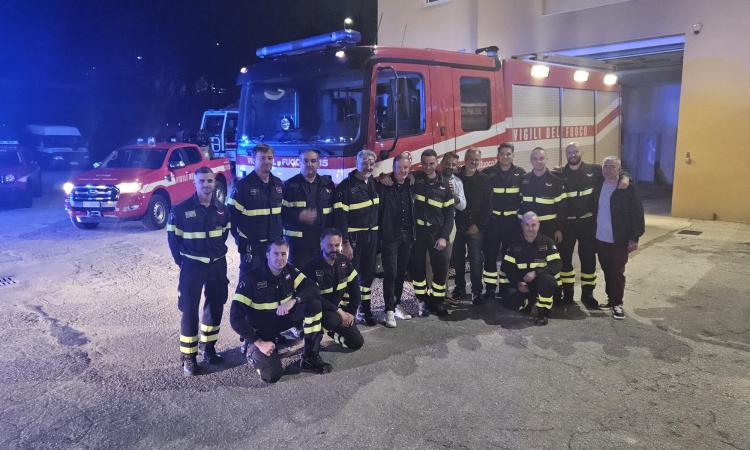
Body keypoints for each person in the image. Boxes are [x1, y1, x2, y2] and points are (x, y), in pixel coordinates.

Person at [230, 238, 331, 383]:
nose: (280, 258)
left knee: (314, 305)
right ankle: (251, 350)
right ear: (267, 255)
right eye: (276, 254)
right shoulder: (252, 277)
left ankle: (310, 357)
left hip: (281, 321)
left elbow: (313, 288)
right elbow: (235, 318)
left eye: (284, 254)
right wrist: (259, 342)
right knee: (272, 376)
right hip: (262, 331)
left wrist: (294, 301)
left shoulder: (289, 270)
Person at [166, 166, 231, 376]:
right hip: (192, 267)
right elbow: (173, 241)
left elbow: (223, 236)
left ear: (215, 183)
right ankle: (189, 357)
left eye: (210, 181)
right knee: (189, 310)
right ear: (194, 182)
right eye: (201, 181)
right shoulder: (180, 210)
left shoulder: (222, 209)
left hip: (217, 265)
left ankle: (209, 349)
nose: (206, 184)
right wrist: (183, 263)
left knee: (215, 307)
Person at [554, 142, 630, 309]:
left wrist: (625, 177)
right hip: (568, 224)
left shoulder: (595, 171)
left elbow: (615, 171)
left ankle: (588, 294)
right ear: (565, 154)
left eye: (575, 151)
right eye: (569, 152)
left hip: (588, 223)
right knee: (565, 260)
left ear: (582, 152)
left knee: (588, 259)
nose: (573, 154)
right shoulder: (559, 173)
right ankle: (567, 294)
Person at [593, 156, 645, 320]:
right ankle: (611, 299)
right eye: (605, 166)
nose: (608, 169)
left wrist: (634, 237)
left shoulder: (627, 187)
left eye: (612, 166)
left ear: (619, 168)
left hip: (619, 239)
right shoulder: (598, 183)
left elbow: (637, 212)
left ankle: (618, 304)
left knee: (617, 271)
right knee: (607, 270)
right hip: (600, 237)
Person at [333, 149, 380, 326]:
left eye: (371, 162)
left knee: (367, 276)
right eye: (365, 162)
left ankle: (364, 310)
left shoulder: (374, 184)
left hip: (371, 236)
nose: (368, 165)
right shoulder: (345, 187)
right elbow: (340, 217)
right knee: (349, 276)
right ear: (357, 162)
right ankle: (345, 313)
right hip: (353, 239)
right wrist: (345, 243)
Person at [410, 149, 455, 316]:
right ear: (421, 164)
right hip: (419, 233)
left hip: (437, 233)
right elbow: (399, 173)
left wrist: (444, 237)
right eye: (424, 163)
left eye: (431, 163)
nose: (428, 167)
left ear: (437, 164)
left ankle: (437, 301)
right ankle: (422, 300)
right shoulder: (416, 179)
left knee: (441, 268)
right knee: (417, 267)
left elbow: (450, 215)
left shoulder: (445, 185)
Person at [303, 229, 365, 349]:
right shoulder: (311, 267)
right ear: (321, 245)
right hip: (318, 312)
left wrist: (351, 314)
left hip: (336, 312)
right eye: (330, 245)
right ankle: (312, 337)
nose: (334, 248)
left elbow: (355, 291)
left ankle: (331, 333)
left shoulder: (344, 262)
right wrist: (340, 312)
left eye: (337, 245)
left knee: (356, 343)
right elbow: (315, 297)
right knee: (332, 320)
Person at [228, 143, 283, 272]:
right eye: (262, 158)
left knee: (272, 282)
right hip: (252, 246)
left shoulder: (278, 185)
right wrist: (240, 240)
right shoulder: (242, 186)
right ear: (254, 160)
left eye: (269, 158)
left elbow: (282, 214)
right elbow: (231, 217)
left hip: (273, 246)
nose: (267, 161)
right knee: (250, 284)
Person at [500, 212, 562, 326]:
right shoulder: (514, 243)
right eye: (527, 225)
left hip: (541, 283)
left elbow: (556, 265)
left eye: (534, 225)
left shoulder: (547, 242)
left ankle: (543, 311)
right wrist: (518, 283)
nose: (530, 228)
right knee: (510, 301)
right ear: (522, 225)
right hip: (523, 283)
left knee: (547, 281)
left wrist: (536, 272)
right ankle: (531, 302)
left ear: (538, 225)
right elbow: (508, 267)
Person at [481, 143, 525, 301]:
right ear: (497, 156)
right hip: (493, 222)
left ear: (513, 155)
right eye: (502, 154)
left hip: (512, 223)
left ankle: (506, 287)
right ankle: (491, 288)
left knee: (509, 257)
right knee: (490, 256)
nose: (505, 157)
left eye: (508, 154)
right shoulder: (488, 174)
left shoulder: (521, 174)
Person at [376, 153, 415, 328]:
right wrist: (381, 177)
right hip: (390, 236)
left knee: (401, 273)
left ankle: (397, 304)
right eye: (400, 168)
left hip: (407, 236)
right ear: (393, 168)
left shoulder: (411, 183)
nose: (403, 171)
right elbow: (372, 178)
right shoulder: (384, 185)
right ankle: (388, 311)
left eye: (406, 168)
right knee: (390, 274)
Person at [282, 148, 335, 269]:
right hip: (299, 245)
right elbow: (281, 213)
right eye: (305, 161)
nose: (309, 164)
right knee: (299, 278)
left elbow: (335, 213)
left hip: (322, 243)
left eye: (313, 161)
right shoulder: (289, 185)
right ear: (299, 162)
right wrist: (299, 216)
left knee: (322, 277)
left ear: (318, 163)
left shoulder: (327, 184)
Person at [454, 147, 491, 304]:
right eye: (471, 159)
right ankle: (460, 288)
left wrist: (479, 226)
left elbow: (488, 206)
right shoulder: (456, 177)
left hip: (476, 227)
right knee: (458, 260)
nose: (474, 162)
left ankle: (476, 291)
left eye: (477, 160)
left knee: (476, 261)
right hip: (459, 225)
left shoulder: (484, 179)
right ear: (465, 159)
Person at [518, 147, 566, 244]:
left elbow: (562, 208)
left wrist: (559, 229)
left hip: (549, 228)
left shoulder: (555, 181)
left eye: (541, 158)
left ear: (546, 159)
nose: (538, 161)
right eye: (535, 159)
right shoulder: (524, 180)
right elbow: (519, 204)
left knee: (548, 257)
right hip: (529, 228)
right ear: (531, 160)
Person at [438, 151, 467, 306]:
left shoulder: (457, 182)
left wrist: (453, 194)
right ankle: (431, 294)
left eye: (453, 165)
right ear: (442, 163)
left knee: (445, 261)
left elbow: (463, 206)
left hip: (450, 224)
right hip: (432, 224)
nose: (450, 167)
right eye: (448, 163)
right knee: (430, 262)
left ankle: (444, 293)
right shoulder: (433, 177)